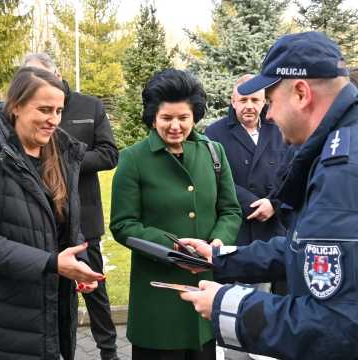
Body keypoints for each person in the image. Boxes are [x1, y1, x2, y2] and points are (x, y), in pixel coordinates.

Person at [179, 31, 358, 360]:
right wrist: (218, 259)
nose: (269, 115)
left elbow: (337, 326)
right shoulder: (336, 148)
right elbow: (305, 249)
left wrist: (226, 305)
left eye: (270, 101)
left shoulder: (344, 170)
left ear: (301, 93)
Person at [110, 68, 242, 360]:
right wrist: (171, 245)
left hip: (205, 294)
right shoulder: (133, 159)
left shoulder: (214, 153)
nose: (175, 126)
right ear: (153, 117)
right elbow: (122, 225)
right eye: (166, 118)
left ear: (194, 116)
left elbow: (231, 210)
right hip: (157, 301)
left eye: (183, 118)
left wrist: (218, 244)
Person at [0, 67, 105, 360]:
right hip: (9, 320)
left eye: (58, 110)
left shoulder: (59, 155)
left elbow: (66, 225)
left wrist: (79, 261)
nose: (54, 120)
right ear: (16, 106)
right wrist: (51, 263)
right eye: (44, 109)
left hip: (53, 314)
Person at [22, 53, 120, 360]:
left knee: (94, 288)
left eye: (43, 76)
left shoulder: (90, 106)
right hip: (34, 220)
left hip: (83, 219)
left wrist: (66, 162)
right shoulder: (22, 113)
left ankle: (108, 351)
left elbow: (109, 154)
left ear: (58, 73)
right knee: (46, 292)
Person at [206, 75, 288, 247]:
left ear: (263, 101)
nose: (249, 106)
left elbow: (292, 170)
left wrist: (273, 203)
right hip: (238, 225)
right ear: (233, 101)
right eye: (243, 100)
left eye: (255, 100)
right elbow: (214, 177)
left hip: (276, 226)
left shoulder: (281, 129)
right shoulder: (214, 133)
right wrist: (253, 205)